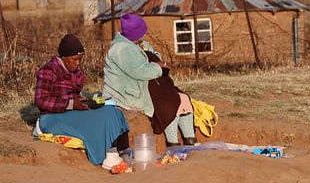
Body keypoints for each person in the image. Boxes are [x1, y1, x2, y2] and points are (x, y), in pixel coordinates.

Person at [34, 34, 129, 170]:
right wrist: (71, 104)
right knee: (104, 117)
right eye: (75, 59)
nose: (78, 63)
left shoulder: (75, 71)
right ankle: (108, 155)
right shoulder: (48, 71)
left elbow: (70, 95)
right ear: (63, 57)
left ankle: (121, 151)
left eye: (80, 59)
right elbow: (41, 101)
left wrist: (79, 100)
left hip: (70, 113)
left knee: (112, 110)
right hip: (52, 118)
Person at [102, 13, 197, 146]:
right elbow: (141, 72)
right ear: (135, 34)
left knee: (183, 99)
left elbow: (155, 57)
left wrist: (156, 60)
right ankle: (173, 144)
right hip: (129, 94)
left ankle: (190, 141)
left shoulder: (138, 43)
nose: (144, 35)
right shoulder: (121, 49)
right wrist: (159, 66)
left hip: (145, 86)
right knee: (169, 104)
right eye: (142, 32)